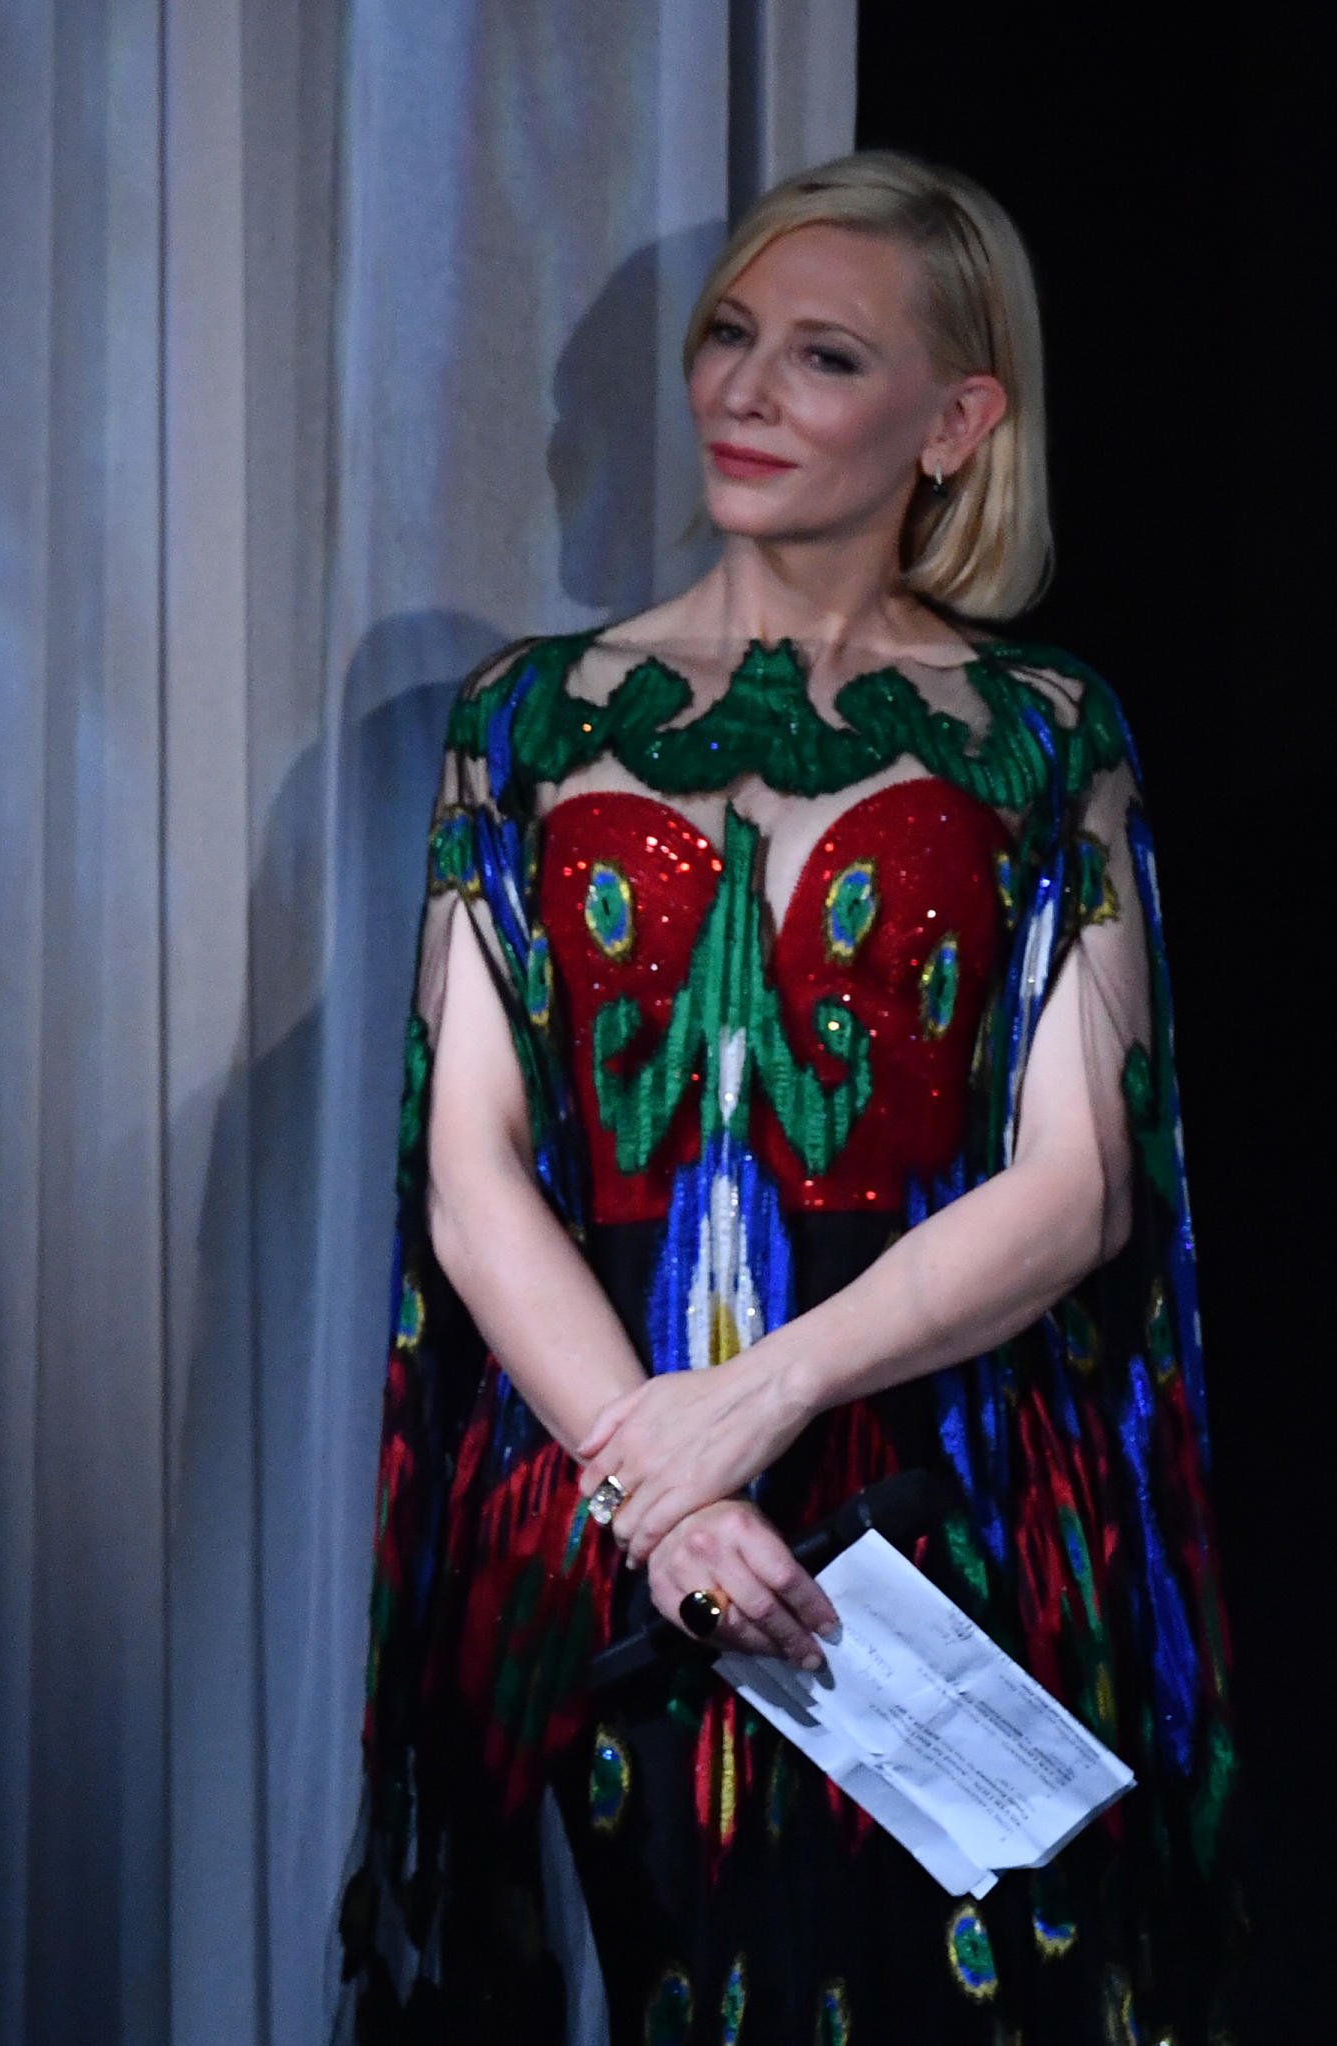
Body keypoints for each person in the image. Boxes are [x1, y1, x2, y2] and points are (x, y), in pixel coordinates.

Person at [344, 155, 1241, 2043]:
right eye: (729, 335)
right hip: (602, 1484)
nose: (745, 392)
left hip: (935, 1482)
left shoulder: (1042, 731)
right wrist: (656, 1487)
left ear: (956, 420)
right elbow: (470, 1169)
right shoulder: (526, 716)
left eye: (824, 356)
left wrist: (759, 1399)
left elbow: (1079, 1187)